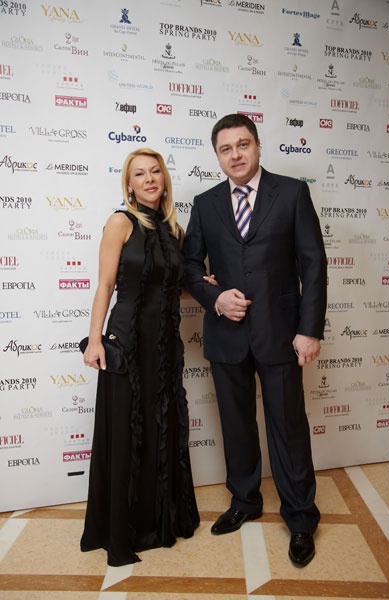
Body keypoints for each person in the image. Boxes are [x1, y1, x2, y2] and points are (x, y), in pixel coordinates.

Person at [182, 114, 327, 568]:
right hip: (226, 334)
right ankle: (245, 501)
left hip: (281, 333)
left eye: (242, 145)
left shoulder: (292, 193)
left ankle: (300, 518)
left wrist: (309, 330)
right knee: (236, 424)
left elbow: (313, 264)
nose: (235, 155)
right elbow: (189, 266)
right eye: (226, 149)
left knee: (289, 427)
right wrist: (214, 297)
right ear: (217, 156)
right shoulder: (205, 203)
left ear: (258, 146)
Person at [80, 148, 200, 567]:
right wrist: (94, 340)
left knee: (160, 428)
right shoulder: (120, 223)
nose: (149, 179)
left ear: (164, 180)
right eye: (139, 174)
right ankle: (121, 530)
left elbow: (171, 287)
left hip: (164, 348)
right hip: (127, 343)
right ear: (129, 185)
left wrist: (203, 287)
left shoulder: (175, 231)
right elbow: (105, 284)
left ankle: (157, 521)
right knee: (126, 432)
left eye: (155, 172)